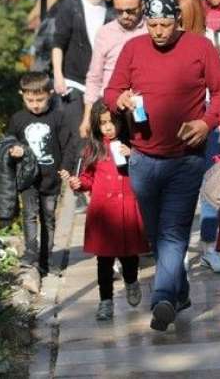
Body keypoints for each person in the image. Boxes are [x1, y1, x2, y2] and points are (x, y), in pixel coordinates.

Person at [103, 0, 220, 332]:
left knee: (173, 233)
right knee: (157, 235)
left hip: (185, 159)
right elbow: (110, 92)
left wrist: (206, 123)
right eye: (153, 24)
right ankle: (180, 292)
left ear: (177, 21)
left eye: (165, 24)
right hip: (143, 157)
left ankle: (162, 299)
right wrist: (121, 99)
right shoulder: (133, 48)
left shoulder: (200, 48)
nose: (158, 31)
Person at [66, 100, 150, 321]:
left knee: (130, 256)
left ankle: (131, 281)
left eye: (112, 122)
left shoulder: (132, 144)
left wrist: (134, 155)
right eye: (103, 123)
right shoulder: (92, 148)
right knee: (104, 260)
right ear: (96, 125)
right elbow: (87, 177)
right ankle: (106, 301)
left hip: (126, 209)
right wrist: (79, 184)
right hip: (103, 212)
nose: (108, 127)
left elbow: (147, 170)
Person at [177, 0, 220, 273]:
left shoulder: (214, 42)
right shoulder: (167, 45)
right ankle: (181, 248)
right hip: (177, 126)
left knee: (212, 189)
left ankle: (209, 246)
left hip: (210, 125)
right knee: (181, 189)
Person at [6, 72, 74, 277]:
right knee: (29, 215)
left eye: (40, 100)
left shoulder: (58, 118)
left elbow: (68, 145)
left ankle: (46, 257)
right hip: (27, 179)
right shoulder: (18, 119)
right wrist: (14, 149)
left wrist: (66, 166)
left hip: (51, 178)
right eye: (30, 100)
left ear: (50, 94)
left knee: (49, 218)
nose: (35, 104)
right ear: (22, 95)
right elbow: (9, 142)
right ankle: (31, 253)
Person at [51, 0, 117, 156]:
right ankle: (80, 181)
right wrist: (58, 75)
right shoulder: (71, 6)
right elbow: (58, 43)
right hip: (74, 81)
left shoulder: (112, 10)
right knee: (81, 136)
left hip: (101, 83)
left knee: (102, 137)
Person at [80, 0, 147, 138]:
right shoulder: (105, 33)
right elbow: (94, 77)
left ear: (141, 6)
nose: (124, 15)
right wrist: (87, 118)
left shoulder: (151, 30)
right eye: (119, 11)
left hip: (141, 108)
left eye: (130, 11)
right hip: (111, 111)